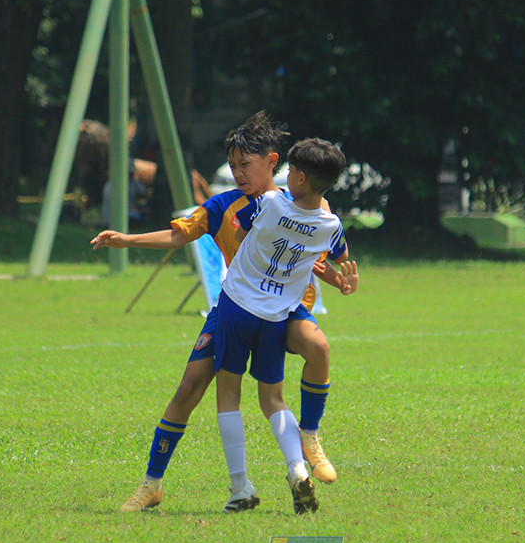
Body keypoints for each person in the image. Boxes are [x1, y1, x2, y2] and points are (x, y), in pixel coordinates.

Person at [91, 113, 357, 513]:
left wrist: (339, 281)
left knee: (316, 348)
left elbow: (318, 259)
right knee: (190, 389)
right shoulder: (226, 204)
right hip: (243, 307)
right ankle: (152, 484)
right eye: (232, 166)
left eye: (244, 164)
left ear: (272, 162)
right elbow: (180, 234)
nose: (237, 173)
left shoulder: (299, 203)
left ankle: (309, 441)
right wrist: (128, 240)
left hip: (283, 309)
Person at [214, 137, 350, 515]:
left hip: (238, 305)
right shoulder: (330, 225)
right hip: (276, 317)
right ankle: (297, 468)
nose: (285, 176)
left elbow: (239, 235)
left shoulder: (270, 203)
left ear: (300, 178)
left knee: (228, 395)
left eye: (290, 171)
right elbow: (339, 256)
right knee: (273, 399)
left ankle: (240, 487)